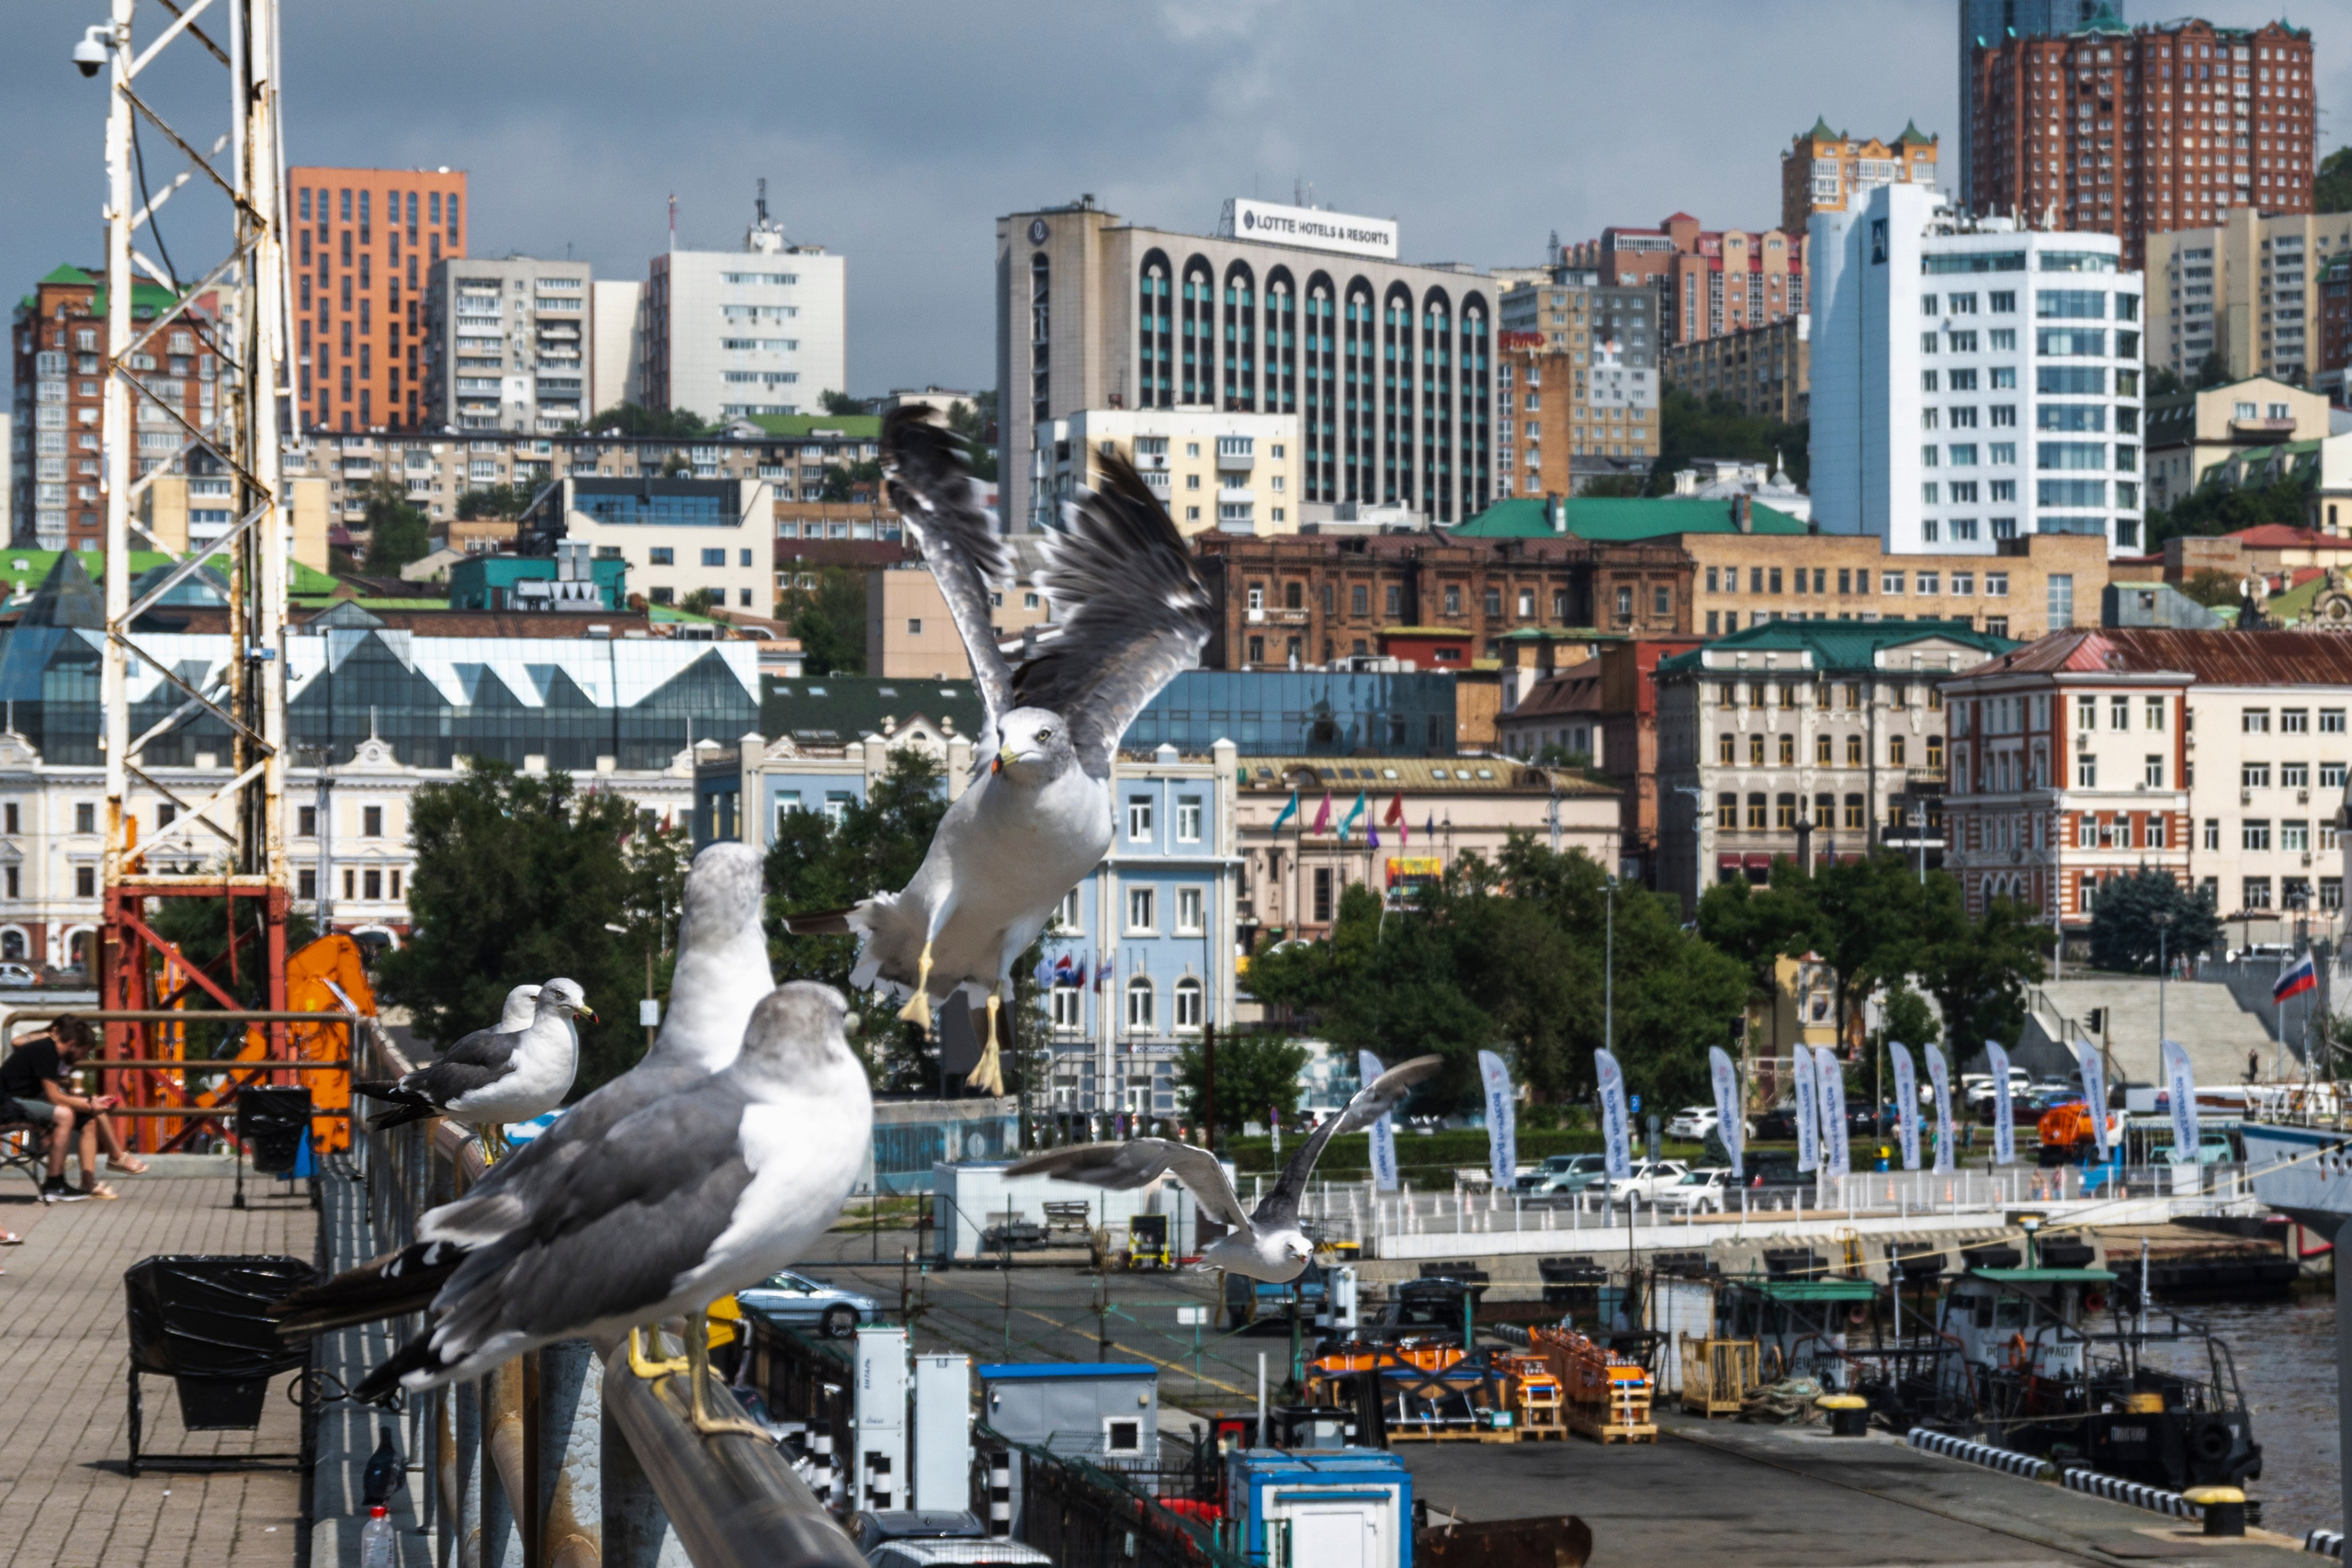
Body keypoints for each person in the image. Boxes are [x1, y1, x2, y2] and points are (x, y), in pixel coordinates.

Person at [0, 1015, 147, 1201]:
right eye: (83, 1052)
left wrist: (91, 1103)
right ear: (72, 1043)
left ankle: (88, 1181)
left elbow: (55, 1093)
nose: (82, 1058)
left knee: (89, 1120)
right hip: (10, 1103)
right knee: (65, 1115)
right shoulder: (46, 1051)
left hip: (27, 1101)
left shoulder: (54, 1054)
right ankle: (55, 1184)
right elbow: (54, 1096)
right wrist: (90, 1104)